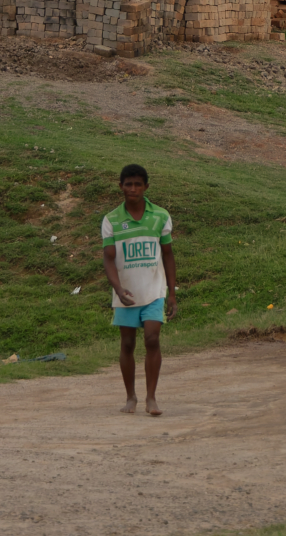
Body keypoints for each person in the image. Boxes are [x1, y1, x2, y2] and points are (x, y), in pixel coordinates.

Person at [101, 163, 177, 416]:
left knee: (153, 339)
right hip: (127, 293)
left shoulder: (161, 216)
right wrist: (118, 288)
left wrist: (171, 294)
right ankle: (130, 397)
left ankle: (151, 398)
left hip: (155, 291)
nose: (133, 188)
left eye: (138, 184)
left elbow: (168, 255)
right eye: (128, 184)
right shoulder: (111, 220)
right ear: (120, 186)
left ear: (146, 186)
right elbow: (109, 258)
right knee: (127, 343)